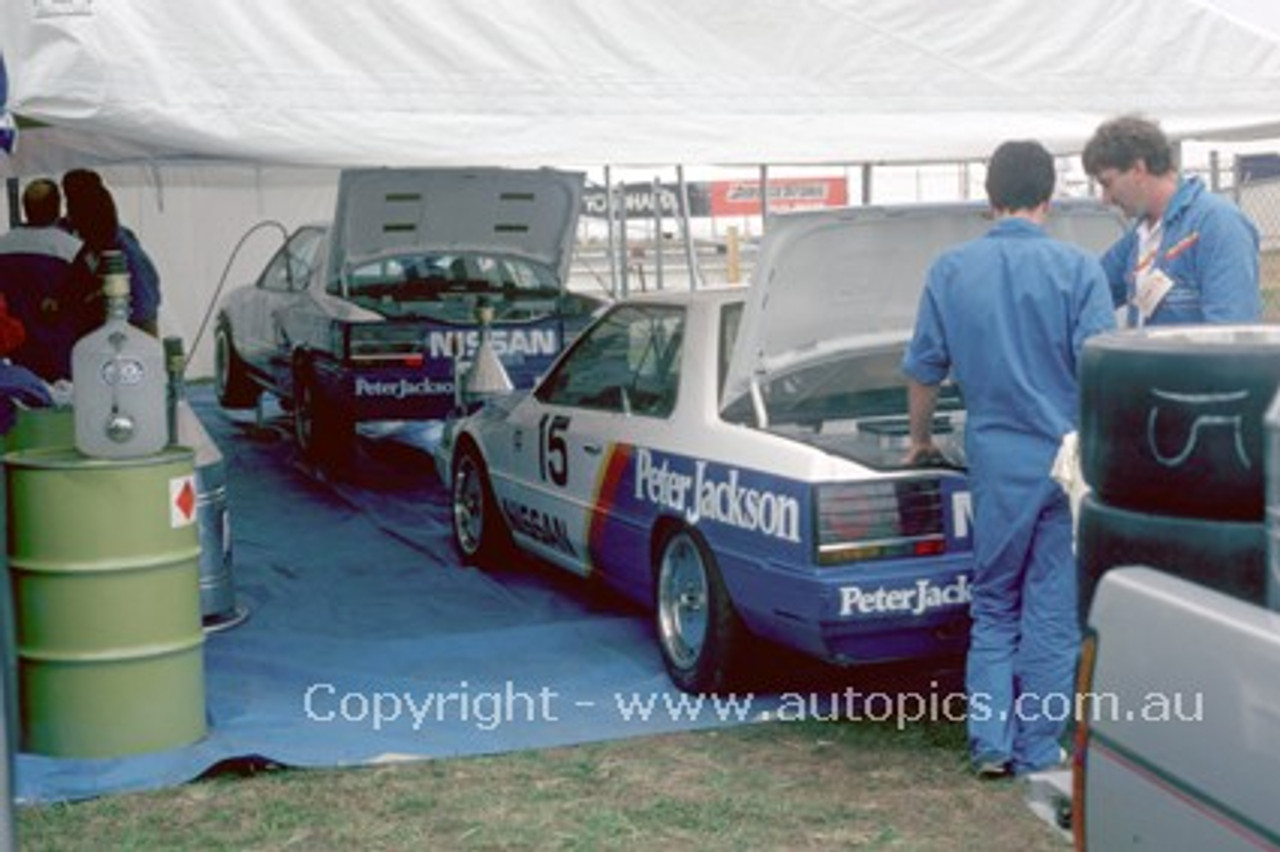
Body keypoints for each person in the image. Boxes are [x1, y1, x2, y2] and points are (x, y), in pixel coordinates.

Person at [901, 140, 1116, 778]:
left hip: (996, 460)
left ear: (988, 199)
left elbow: (924, 370)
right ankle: (1036, 747)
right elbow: (1100, 367)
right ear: (1050, 197)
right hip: (1067, 461)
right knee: (1052, 606)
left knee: (993, 599)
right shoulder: (1079, 270)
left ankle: (989, 743)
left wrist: (919, 440)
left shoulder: (949, 269)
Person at [1082, 114, 1261, 326]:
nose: (1106, 200)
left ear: (1138, 170)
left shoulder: (1218, 225)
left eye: (1107, 183)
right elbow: (1088, 289)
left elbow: (1231, 334)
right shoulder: (1140, 236)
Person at [0, 178, 83, 381]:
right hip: (60, 353)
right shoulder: (72, 249)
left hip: (14, 353)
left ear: (25, 208)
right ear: (57, 207)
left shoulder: (3, 245)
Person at [62, 169, 162, 335]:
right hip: (134, 318)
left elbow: (142, 302)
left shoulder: (115, 249)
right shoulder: (103, 239)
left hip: (134, 324)